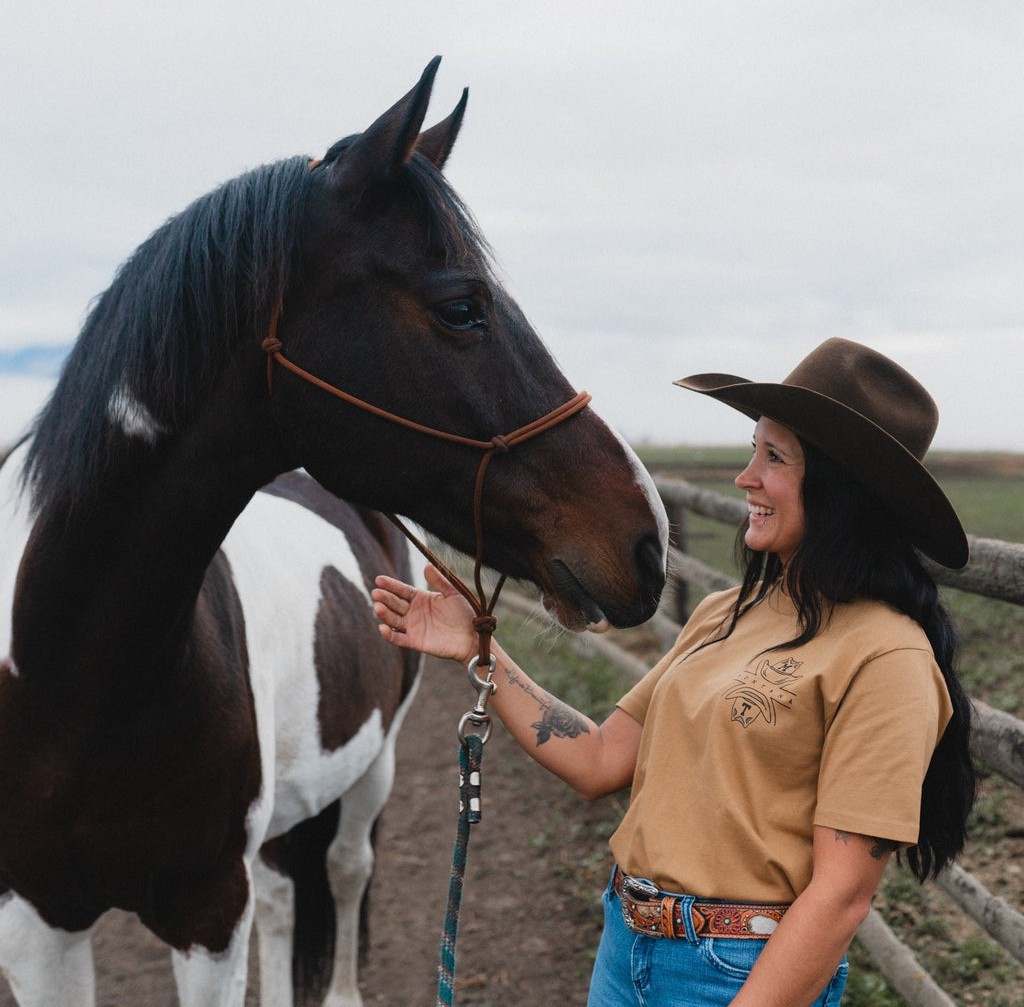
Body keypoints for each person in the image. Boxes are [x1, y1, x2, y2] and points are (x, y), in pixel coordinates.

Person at [371, 337, 976, 1007]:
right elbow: (599, 759)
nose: (745, 476)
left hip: (734, 972)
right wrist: (479, 649)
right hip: (628, 942)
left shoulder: (887, 656)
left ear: (842, 494)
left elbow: (840, 897)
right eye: (752, 449)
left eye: (773, 458)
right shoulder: (726, 613)